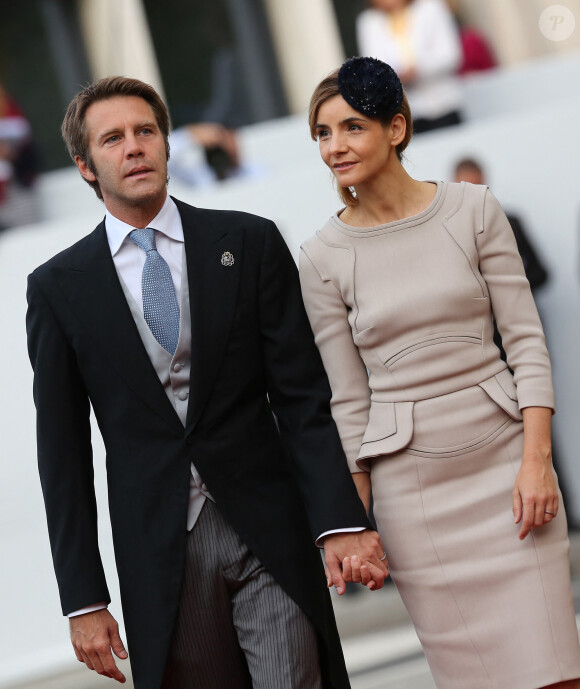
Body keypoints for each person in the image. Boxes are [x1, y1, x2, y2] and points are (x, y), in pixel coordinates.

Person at [26, 76, 389, 689]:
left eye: (146, 131)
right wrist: (82, 598)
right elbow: (61, 454)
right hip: (162, 549)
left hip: (269, 528)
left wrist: (339, 520)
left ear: (167, 145)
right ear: (87, 167)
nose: (134, 147)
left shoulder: (247, 241)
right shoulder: (59, 287)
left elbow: (302, 396)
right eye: (113, 139)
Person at [299, 56, 580, 689]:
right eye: (322, 133)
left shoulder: (474, 209)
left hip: (510, 474)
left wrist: (538, 462)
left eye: (351, 127)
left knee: (559, 674)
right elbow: (348, 401)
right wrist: (355, 524)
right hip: (415, 500)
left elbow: (527, 343)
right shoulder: (320, 258)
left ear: (396, 128)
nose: (334, 146)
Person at [356, 0, 462, 133]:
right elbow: (372, 70)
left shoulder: (431, 8)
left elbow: (450, 56)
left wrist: (419, 70)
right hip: (404, 114)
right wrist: (394, 77)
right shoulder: (369, 22)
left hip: (444, 105)